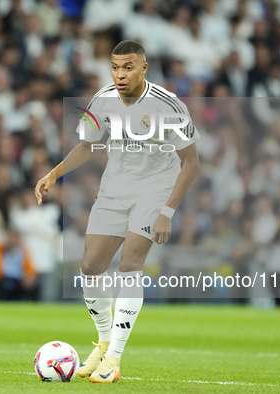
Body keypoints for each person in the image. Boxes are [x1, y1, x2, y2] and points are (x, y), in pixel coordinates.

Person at [34, 41, 201, 383]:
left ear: (144, 68)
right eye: (115, 67)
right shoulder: (103, 99)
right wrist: (54, 173)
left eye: (127, 67)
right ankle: (104, 340)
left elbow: (192, 162)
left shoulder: (168, 105)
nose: (120, 74)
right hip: (114, 188)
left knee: (129, 265)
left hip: (154, 189)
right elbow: (86, 145)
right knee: (90, 266)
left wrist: (167, 210)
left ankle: (114, 357)